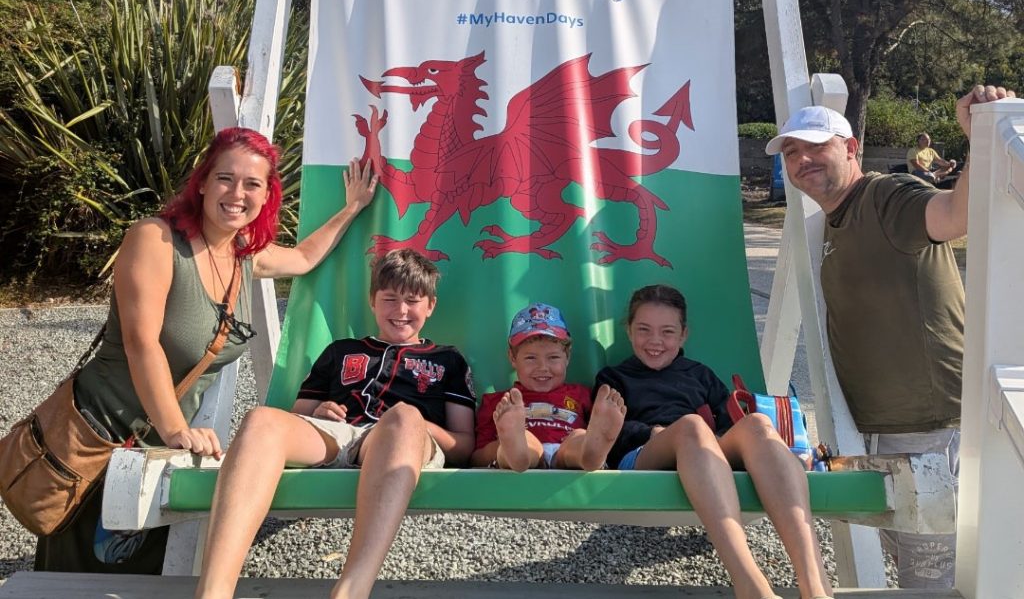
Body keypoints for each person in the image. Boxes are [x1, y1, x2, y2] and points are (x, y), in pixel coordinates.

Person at [33, 127, 378, 574]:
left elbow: (303, 258)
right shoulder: (155, 240)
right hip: (102, 434)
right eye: (225, 178)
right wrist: (177, 429)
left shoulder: (244, 254)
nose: (237, 194)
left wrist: (352, 207)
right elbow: (141, 343)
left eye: (252, 184)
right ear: (202, 183)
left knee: (145, 570)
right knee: (79, 571)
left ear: (266, 195)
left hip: (162, 443)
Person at [764, 84, 1015, 589]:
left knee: (933, 580)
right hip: (878, 433)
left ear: (851, 148)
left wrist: (980, 139)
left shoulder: (884, 196)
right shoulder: (835, 221)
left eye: (816, 146)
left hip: (931, 431)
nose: (802, 160)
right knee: (913, 570)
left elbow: (954, 215)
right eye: (791, 152)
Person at [194, 248, 476, 599]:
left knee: (403, 416)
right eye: (389, 299)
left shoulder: (448, 361)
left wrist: (417, 424)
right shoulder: (340, 351)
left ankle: (351, 592)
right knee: (261, 419)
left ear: (430, 305)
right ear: (372, 301)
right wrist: (319, 412)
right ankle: (213, 591)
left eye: (413, 301)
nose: (401, 310)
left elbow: (464, 446)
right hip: (339, 434)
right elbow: (297, 415)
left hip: (405, 442)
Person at [597, 284, 833, 599]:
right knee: (692, 426)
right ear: (628, 330)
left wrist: (724, 440)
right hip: (643, 455)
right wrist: (653, 433)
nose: (655, 341)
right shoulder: (614, 378)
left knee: (757, 424)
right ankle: (751, 586)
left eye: (667, 332)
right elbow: (607, 433)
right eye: (644, 330)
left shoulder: (700, 375)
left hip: (702, 454)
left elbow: (727, 421)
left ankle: (815, 586)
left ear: (683, 335)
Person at [470, 303, 626, 472]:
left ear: (567, 357)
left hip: (565, 452)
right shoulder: (500, 402)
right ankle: (516, 454)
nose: (543, 367)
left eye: (553, 357)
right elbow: (477, 457)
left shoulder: (582, 395)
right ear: (513, 358)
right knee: (522, 441)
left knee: (578, 436)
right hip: (524, 449)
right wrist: (502, 446)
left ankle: (590, 455)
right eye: (531, 358)